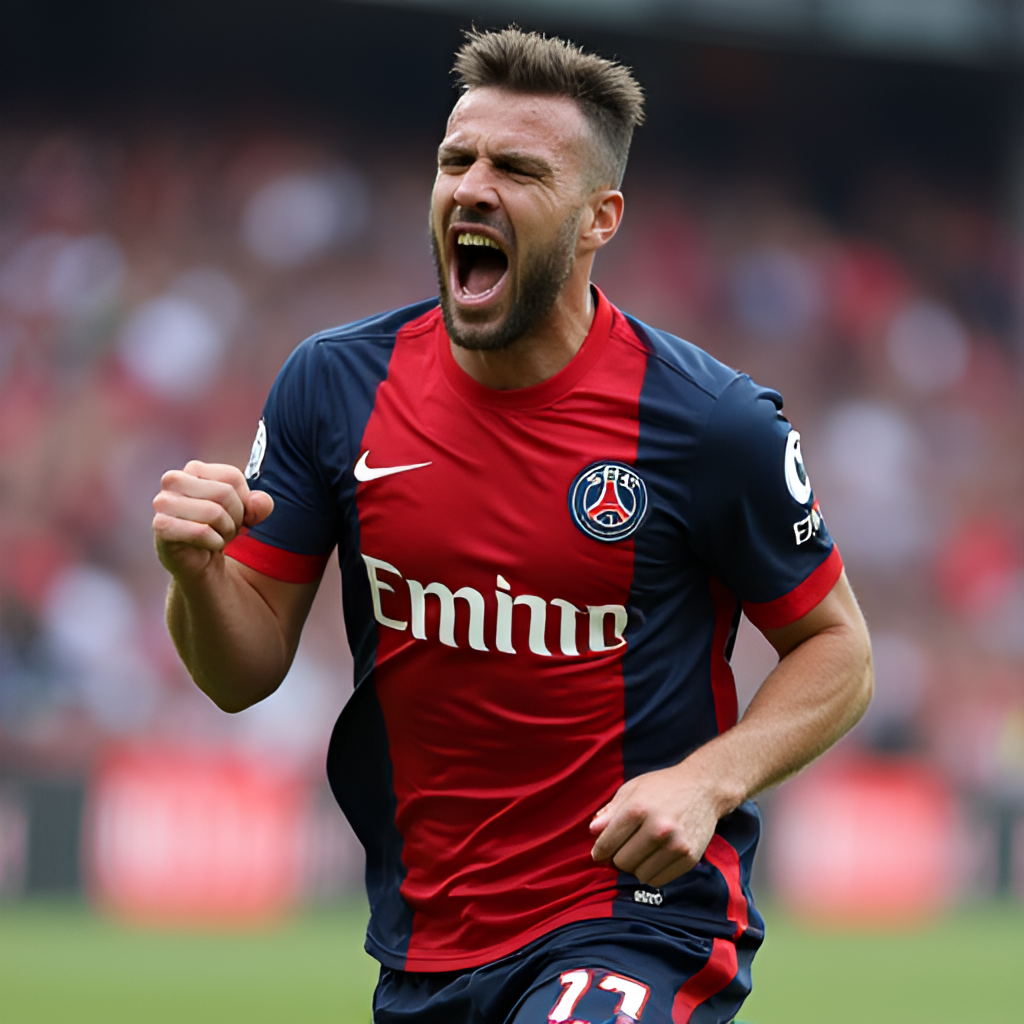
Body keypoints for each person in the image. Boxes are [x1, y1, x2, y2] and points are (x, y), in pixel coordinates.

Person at [152, 27, 872, 1024]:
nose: (472, 188)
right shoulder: (333, 385)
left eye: (518, 169)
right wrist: (196, 572)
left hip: (635, 912)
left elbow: (838, 646)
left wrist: (707, 782)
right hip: (426, 935)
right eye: (457, 160)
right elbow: (240, 674)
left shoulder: (710, 423)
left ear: (597, 219)